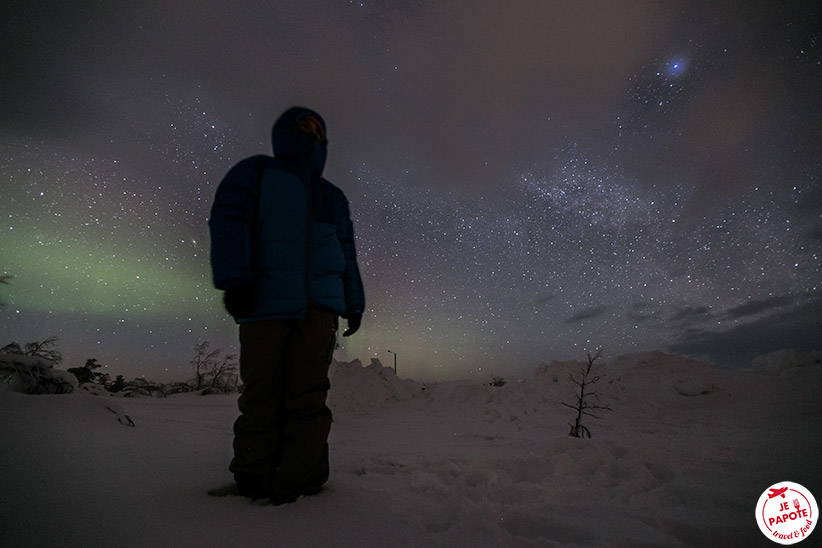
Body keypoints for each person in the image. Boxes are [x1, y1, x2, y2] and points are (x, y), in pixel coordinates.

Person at [208, 106, 365, 504]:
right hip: (265, 302)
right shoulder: (256, 172)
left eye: (316, 130)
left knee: (308, 397)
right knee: (262, 395)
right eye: (302, 127)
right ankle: (253, 478)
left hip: (319, 309)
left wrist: (354, 302)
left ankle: (301, 481)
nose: (309, 135)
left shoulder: (333, 197)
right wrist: (236, 278)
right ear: (284, 133)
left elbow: (345, 251)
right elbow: (229, 219)